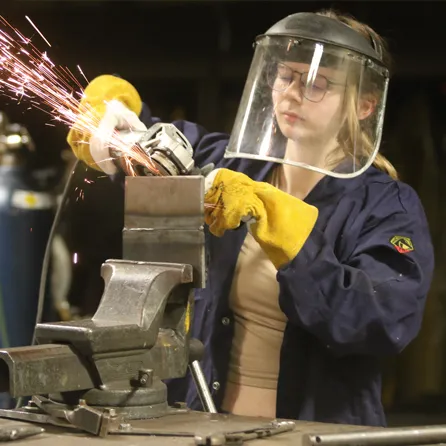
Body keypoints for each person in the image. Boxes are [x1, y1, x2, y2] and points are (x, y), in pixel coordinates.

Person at [66, 10, 434, 427]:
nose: (292, 93)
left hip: (316, 431)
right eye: (285, 76)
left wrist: (291, 236)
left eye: (317, 84)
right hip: (206, 424)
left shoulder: (386, 206)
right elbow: (152, 139)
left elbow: (383, 323)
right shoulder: (232, 166)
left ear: (365, 105)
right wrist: (111, 118)